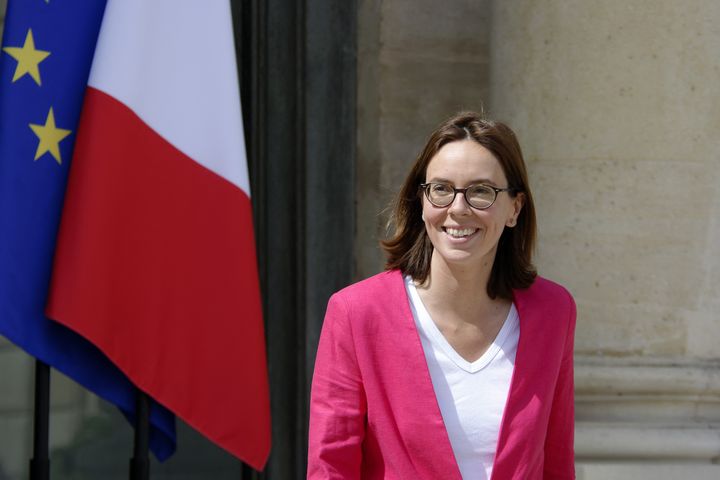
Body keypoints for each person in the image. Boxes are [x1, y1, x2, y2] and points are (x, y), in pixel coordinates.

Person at [307, 112, 576, 479]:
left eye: (481, 191)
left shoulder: (553, 312)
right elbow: (329, 466)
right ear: (421, 201)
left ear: (515, 207)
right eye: (441, 189)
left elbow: (557, 461)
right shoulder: (357, 312)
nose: (459, 208)